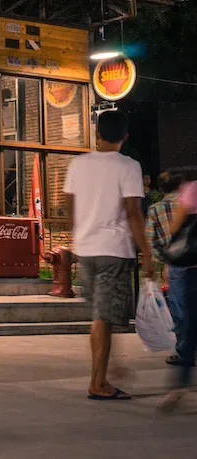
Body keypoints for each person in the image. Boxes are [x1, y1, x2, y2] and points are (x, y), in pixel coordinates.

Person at [63, 110, 153, 401]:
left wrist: (80, 234)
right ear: (125, 137)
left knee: (100, 317)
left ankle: (107, 370)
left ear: (97, 135)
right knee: (103, 318)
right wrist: (147, 253)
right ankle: (98, 383)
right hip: (113, 251)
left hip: (86, 251)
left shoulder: (79, 164)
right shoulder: (128, 166)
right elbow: (133, 212)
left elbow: (70, 207)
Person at [159, 177, 197, 412]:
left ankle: (178, 386)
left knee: (188, 323)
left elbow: (176, 227)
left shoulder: (193, 188)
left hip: (188, 267)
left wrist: (168, 259)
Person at [147, 172, 185, 366]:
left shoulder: (156, 209)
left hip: (176, 264)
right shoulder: (190, 204)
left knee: (179, 308)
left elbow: (150, 241)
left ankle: (185, 351)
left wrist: (164, 260)